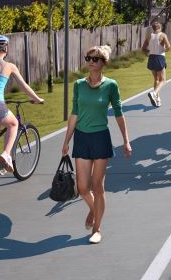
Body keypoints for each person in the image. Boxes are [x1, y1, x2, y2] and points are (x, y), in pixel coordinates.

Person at [61, 45, 132, 245]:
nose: (90, 62)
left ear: (103, 63)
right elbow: (74, 113)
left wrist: (126, 140)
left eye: (95, 59)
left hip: (101, 138)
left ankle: (97, 228)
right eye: (88, 58)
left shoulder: (111, 85)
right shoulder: (78, 85)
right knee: (82, 187)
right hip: (82, 138)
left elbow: (118, 113)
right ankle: (94, 210)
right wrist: (66, 140)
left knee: (97, 186)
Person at [0, 35, 44, 173]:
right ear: (6, 47)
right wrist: (37, 99)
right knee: (13, 124)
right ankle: (6, 155)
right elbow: (24, 87)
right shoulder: (9, 66)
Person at [142, 21, 171, 107]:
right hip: (159, 57)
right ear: (160, 27)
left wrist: (150, 51)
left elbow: (143, 48)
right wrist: (163, 50)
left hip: (151, 58)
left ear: (153, 28)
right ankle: (154, 93)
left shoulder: (149, 36)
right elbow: (168, 46)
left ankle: (157, 99)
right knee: (163, 80)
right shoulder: (163, 35)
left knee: (156, 79)